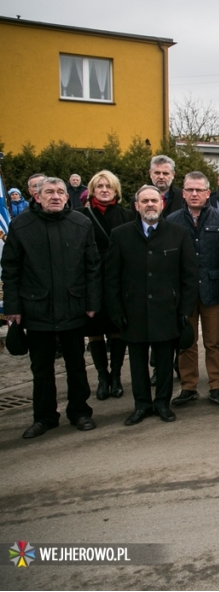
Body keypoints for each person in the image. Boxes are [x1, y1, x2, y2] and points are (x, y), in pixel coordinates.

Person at [3, 177, 102, 439]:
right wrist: (12, 307)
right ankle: (44, 417)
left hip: (73, 306)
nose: (55, 196)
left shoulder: (81, 223)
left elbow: (92, 265)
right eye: (49, 192)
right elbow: (10, 269)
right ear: (37, 197)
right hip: (37, 309)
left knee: (76, 364)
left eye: (60, 192)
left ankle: (80, 412)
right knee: (41, 368)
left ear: (67, 196)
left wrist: (92, 302)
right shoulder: (21, 225)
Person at [106, 185, 198, 426]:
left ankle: (161, 404)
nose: (149, 204)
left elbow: (189, 275)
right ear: (136, 206)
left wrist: (185, 310)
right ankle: (142, 405)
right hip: (132, 311)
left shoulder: (179, 233)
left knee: (165, 362)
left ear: (162, 204)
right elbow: (111, 277)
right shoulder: (120, 234)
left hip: (167, 310)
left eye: (153, 201)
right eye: (144, 201)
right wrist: (116, 310)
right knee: (137, 363)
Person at [167, 172, 219, 406]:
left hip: (213, 290)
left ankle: (216, 385)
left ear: (207, 193)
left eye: (199, 190)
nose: (194, 194)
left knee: (213, 342)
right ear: (183, 193)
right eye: (190, 190)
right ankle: (188, 386)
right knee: (187, 342)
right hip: (184, 293)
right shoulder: (172, 220)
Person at [76, 170, 134, 400]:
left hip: (119, 278)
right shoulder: (80, 216)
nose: (104, 190)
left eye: (108, 186)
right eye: (99, 186)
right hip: (92, 278)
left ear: (116, 190)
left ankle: (117, 375)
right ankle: (102, 376)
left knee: (117, 326)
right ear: (92, 189)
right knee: (95, 329)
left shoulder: (126, 215)